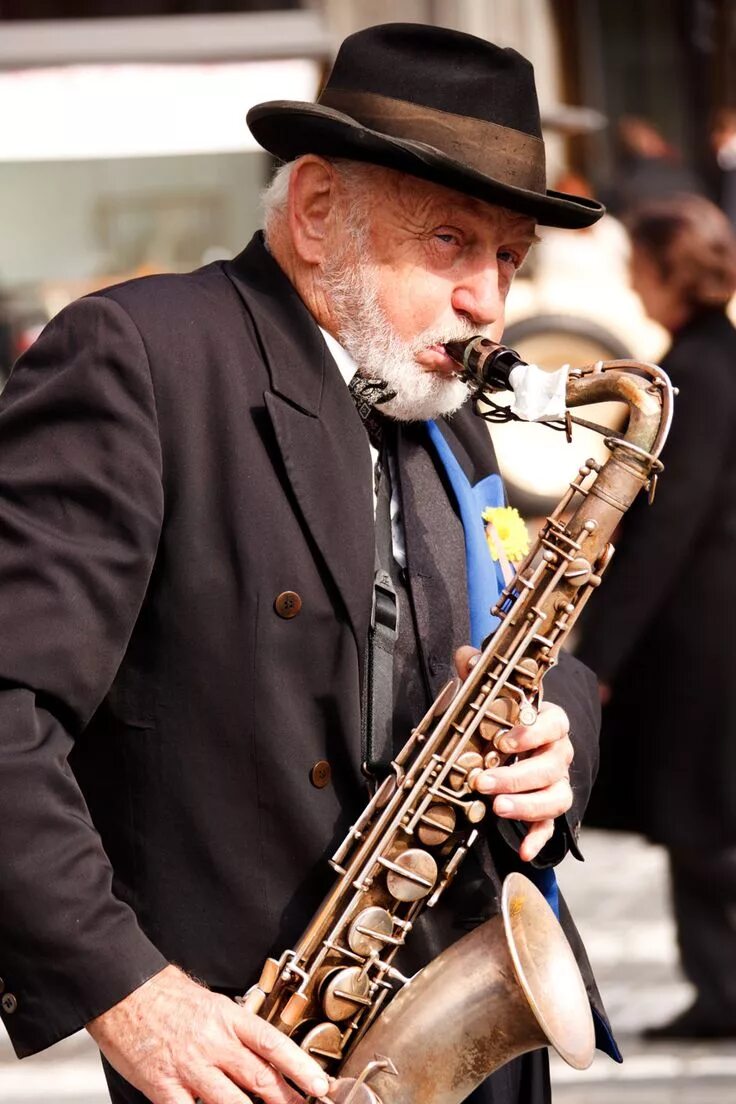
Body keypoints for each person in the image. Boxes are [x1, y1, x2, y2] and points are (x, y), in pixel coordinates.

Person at [0, 23, 617, 1104]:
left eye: (508, 256)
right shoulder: (142, 358)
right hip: (249, 1055)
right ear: (319, 209)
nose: (488, 298)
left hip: (457, 1038)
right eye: (450, 242)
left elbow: (535, 640)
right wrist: (128, 990)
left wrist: (556, 737)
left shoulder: (445, 412)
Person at [578, 193, 736, 1039]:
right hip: (708, 628)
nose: (630, 280)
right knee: (704, 814)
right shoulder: (712, 359)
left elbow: (670, 530)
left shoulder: (701, 372)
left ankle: (723, 991)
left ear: (672, 266)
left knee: (705, 821)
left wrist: (598, 657)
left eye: (637, 262)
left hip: (701, 636)